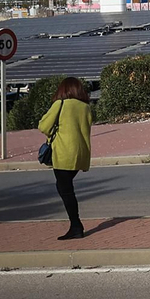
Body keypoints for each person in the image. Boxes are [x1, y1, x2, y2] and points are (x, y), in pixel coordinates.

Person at [38, 76, 94, 240]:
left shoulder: (60, 104)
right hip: (81, 154)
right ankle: (75, 225)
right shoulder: (85, 107)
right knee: (64, 187)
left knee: (66, 190)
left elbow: (43, 126)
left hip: (64, 153)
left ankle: (76, 226)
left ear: (63, 89)